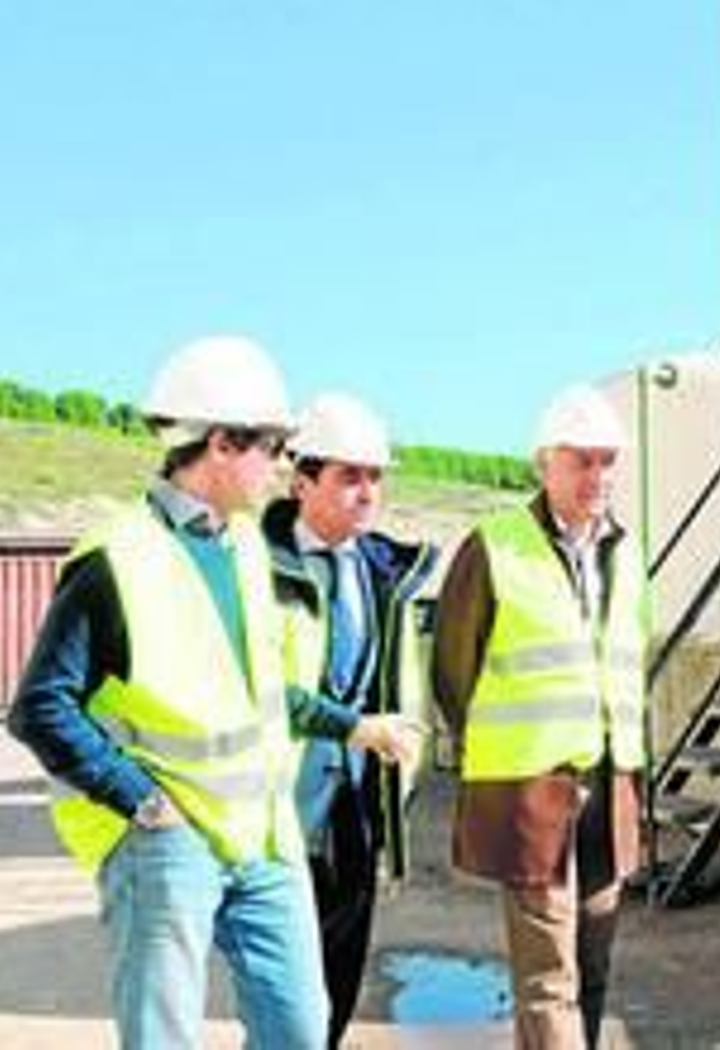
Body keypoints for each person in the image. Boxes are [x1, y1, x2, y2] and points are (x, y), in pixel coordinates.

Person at [7, 336, 418, 1048]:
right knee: (165, 1036)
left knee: (300, 1026)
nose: (283, 464)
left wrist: (353, 727)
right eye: (275, 445)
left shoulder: (246, 545)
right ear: (223, 444)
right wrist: (137, 797)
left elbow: (264, 689)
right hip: (167, 838)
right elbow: (40, 705)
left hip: (262, 832)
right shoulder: (118, 557)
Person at [432, 383, 647, 1049]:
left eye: (607, 461)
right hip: (532, 790)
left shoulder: (627, 552)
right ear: (543, 464)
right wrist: (503, 748)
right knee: (549, 978)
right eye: (581, 460)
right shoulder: (493, 547)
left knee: (593, 963)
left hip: (609, 787)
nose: (597, 476)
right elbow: (452, 671)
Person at [262, 391, 439, 1047]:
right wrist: (355, 728)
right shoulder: (255, 565)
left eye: (375, 476)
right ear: (302, 480)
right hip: (278, 811)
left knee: (337, 983)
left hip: (358, 811)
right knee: (283, 997)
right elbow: (253, 688)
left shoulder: (385, 570)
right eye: (348, 477)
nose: (367, 492)